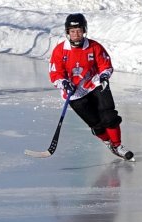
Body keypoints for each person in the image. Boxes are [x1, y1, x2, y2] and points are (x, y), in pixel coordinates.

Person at [47, 13, 133, 160]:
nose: (76, 34)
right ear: (67, 32)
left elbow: (105, 64)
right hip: (74, 93)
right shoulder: (60, 51)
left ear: (84, 30)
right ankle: (108, 142)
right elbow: (55, 73)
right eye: (72, 31)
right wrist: (64, 82)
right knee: (97, 124)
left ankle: (118, 146)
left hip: (95, 84)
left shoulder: (94, 47)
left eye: (79, 31)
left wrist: (104, 75)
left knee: (109, 116)